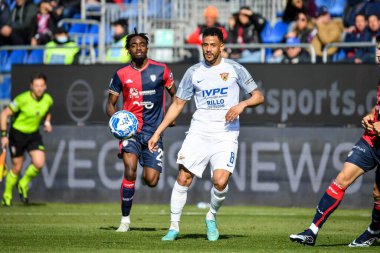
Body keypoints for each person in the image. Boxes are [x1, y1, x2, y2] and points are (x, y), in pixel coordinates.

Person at [148, 27, 264, 241]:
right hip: (199, 132)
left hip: (226, 133)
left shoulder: (235, 68)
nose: (208, 49)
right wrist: (157, 133)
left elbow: (258, 95)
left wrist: (242, 104)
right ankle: (174, 227)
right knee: (184, 177)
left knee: (220, 182)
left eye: (212, 45)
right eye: (205, 45)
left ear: (221, 46)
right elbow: (177, 104)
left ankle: (211, 216)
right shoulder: (194, 72)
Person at [289, 35, 380, 247]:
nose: (378, 52)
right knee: (342, 178)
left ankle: (373, 231)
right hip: (372, 139)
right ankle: (311, 231)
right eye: (377, 47)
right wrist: (371, 116)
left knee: (378, 193)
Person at [106, 29, 176, 232]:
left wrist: (171, 117)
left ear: (147, 47)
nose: (138, 48)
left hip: (154, 132)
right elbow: (110, 104)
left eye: (142, 44)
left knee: (151, 180)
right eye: (134, 45)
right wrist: (117, 121)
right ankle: (125, 221)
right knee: (130, 171)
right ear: (128, 49)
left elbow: (176, 96)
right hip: (131, 132)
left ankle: (147, 177)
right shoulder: (121, 74)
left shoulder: (161, 70)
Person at [1, 73, 53, 206]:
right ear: (31, 86)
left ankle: (23, 184)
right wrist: (3, 135)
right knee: (17, 167)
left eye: (41, 85)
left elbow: (47, 111)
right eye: (36, 86)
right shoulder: (22, 99)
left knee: (39, 162)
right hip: (17, 134)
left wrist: (47, 122)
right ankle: (7, 195)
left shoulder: (47, 99)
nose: (39, 88)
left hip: (33, 134)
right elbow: (4, 114)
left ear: (45, 86)